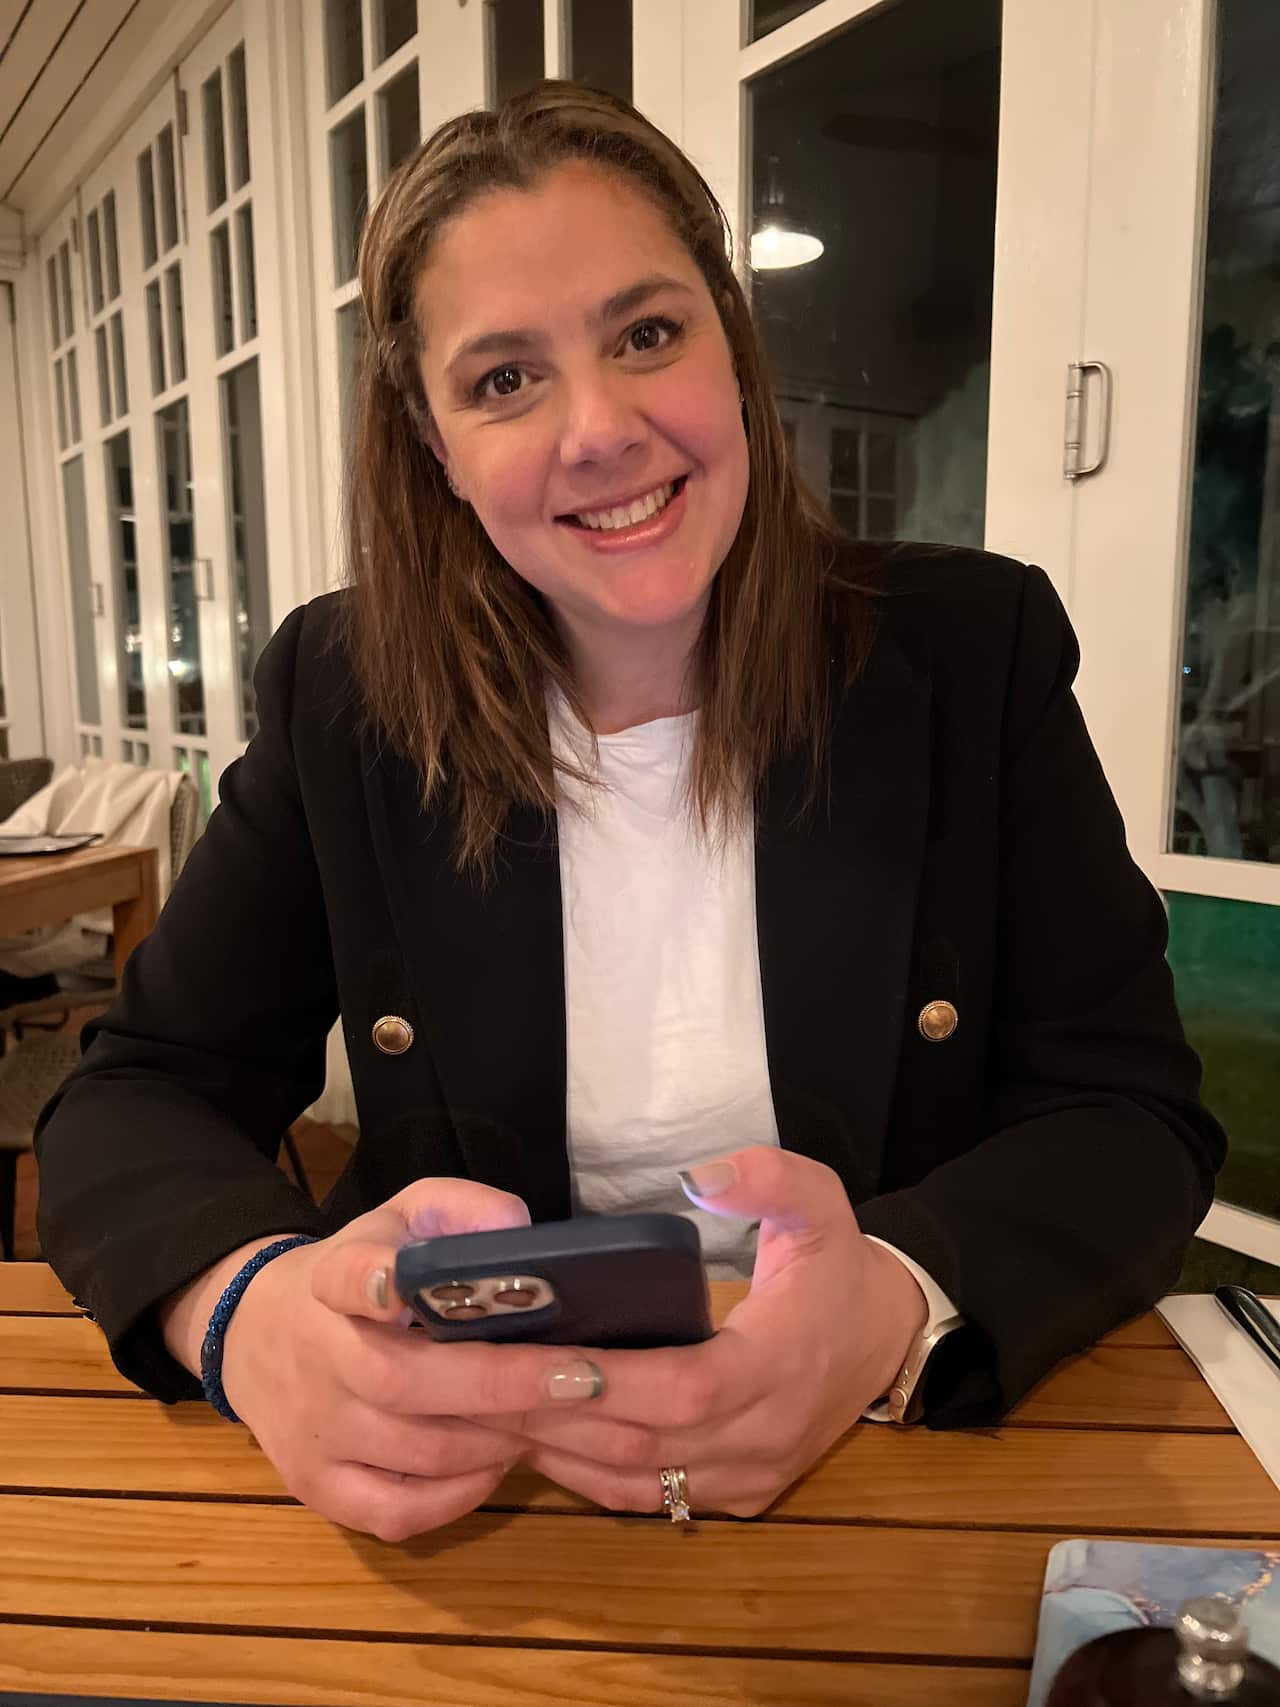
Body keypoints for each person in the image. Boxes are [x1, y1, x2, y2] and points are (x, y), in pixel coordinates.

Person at [35, 81, 1224, 1544]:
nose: (600, 429)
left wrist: (895, 1301)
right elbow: (137, 1093)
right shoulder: (343, 696)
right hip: (486, 1502)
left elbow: (1130, 1116)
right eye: (504, 380)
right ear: (431, 440)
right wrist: (244, 1314)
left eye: (647, 334)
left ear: (732, 346)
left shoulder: (972, 653)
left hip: (894, 1466)